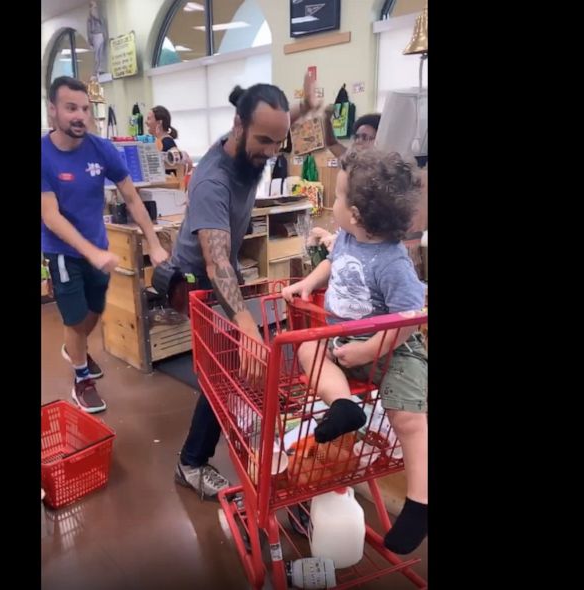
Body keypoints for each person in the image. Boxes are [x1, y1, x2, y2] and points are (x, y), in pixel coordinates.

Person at [172, 73, 319, 499]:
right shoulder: (213, 180)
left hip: (224, 270)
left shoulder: (255, 141)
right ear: (237, 126)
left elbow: (278, 120)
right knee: (224, 370)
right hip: (196, 279)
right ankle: (190, 462)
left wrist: (306, 106)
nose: (271, 152)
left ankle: (237, 421)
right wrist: (244, 323)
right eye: (264, 142)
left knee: (238, 363)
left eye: (279, 142)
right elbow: (215, 262)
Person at [281, 149, 427, 554]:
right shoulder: (347, 237)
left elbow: (410, 319)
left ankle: (419, 503)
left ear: (358, 213)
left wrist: (369, 351)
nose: (334, 204)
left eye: (340, 197)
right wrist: (308, 284)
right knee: (309, 348)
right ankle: (344, 404)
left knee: (409, 417)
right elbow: (332, 261)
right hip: (345, 337)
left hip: (395, 347)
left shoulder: (394, 263)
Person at [41, 76, 170, 413]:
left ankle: (76, 348)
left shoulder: (102, 149)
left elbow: (131, 196)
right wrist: (92, 252)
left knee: (94, 311)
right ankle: (82, 381)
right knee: (74, 319)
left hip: (97, 249)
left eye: (85, 108)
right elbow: (50, 216)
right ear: (52, 111)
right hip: (63, 252)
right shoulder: (42, 155)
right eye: (71, 108)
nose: (80, 115)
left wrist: (154, 242)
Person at [145, 105, 192, 173]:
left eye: (149, 119)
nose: (146, 122)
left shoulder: (167, 143)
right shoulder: (162, 142)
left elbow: (184, 164)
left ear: (159, 123)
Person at [88, 0, 107, 76]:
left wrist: (104, 34)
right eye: (93, 7)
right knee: (97, 53)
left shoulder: (100, 17)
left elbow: (103, 26)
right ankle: (97, 69)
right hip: (95, 35)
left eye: (95, 7)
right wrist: (90, 40)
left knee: (101, 51)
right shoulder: (90, 19)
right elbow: (89, 30)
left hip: (100, 34)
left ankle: (101, 68)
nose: (95, 8)